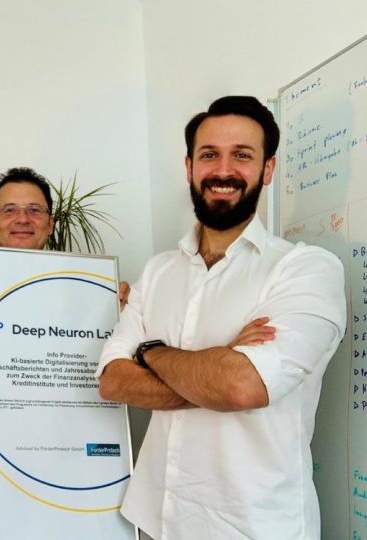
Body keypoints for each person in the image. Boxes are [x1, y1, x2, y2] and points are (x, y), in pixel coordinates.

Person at [96, 96, 346, 539]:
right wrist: (218, 363)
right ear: (189, 166)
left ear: (267, 169)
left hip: (253, 528)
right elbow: (113, 381)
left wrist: (150, 352)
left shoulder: (306, 270)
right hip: (156, 521)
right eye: (209, 155)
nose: (223, 170)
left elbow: (241, 386)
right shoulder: (158, 271)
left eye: (242, 155)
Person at [0, 166, 129, 307]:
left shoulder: (84, 285)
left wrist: (124, 306)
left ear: (51, 224)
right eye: (9, 210)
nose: (23, 219)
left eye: (34, 210)